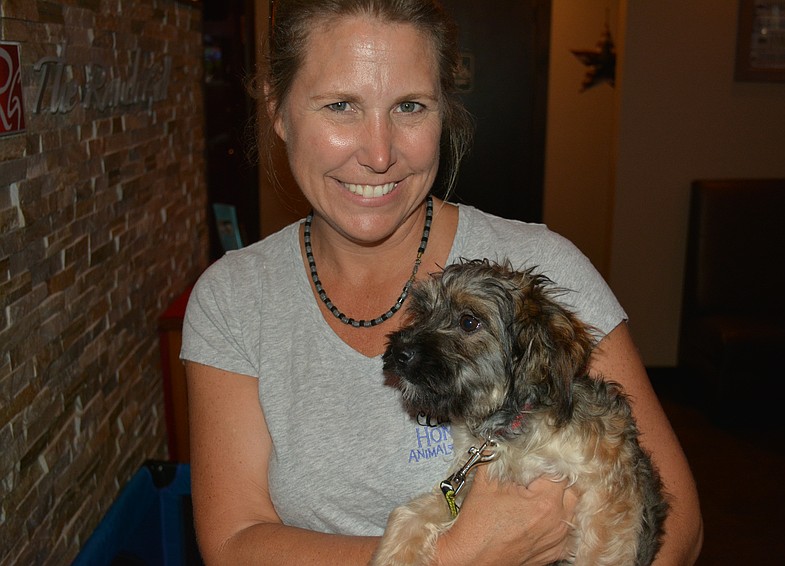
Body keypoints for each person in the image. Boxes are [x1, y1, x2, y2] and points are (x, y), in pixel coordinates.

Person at [181, 0, 703, 564]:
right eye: (340, 105)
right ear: (278, 111)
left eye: (409, 106)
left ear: (444, 114)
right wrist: (456, 554)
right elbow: (233, 543)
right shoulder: (233, 299)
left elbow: (677, 528)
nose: (379, 153)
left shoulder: (544, 270)